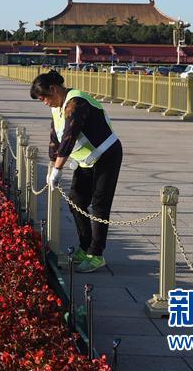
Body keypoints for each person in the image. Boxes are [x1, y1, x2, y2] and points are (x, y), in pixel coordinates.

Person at [30, 69, 123, 273]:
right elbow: (56, 138)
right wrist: (51, 165)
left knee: (99, 204)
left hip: (106, 155)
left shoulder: (76, 102)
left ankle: (96, 254)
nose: (45, 102)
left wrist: (58, 169)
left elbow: (70, 135)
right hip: (86, 161)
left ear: (54, 89)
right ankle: (85, 246)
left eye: (45, 97)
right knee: (76, 200)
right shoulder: (57, 108)